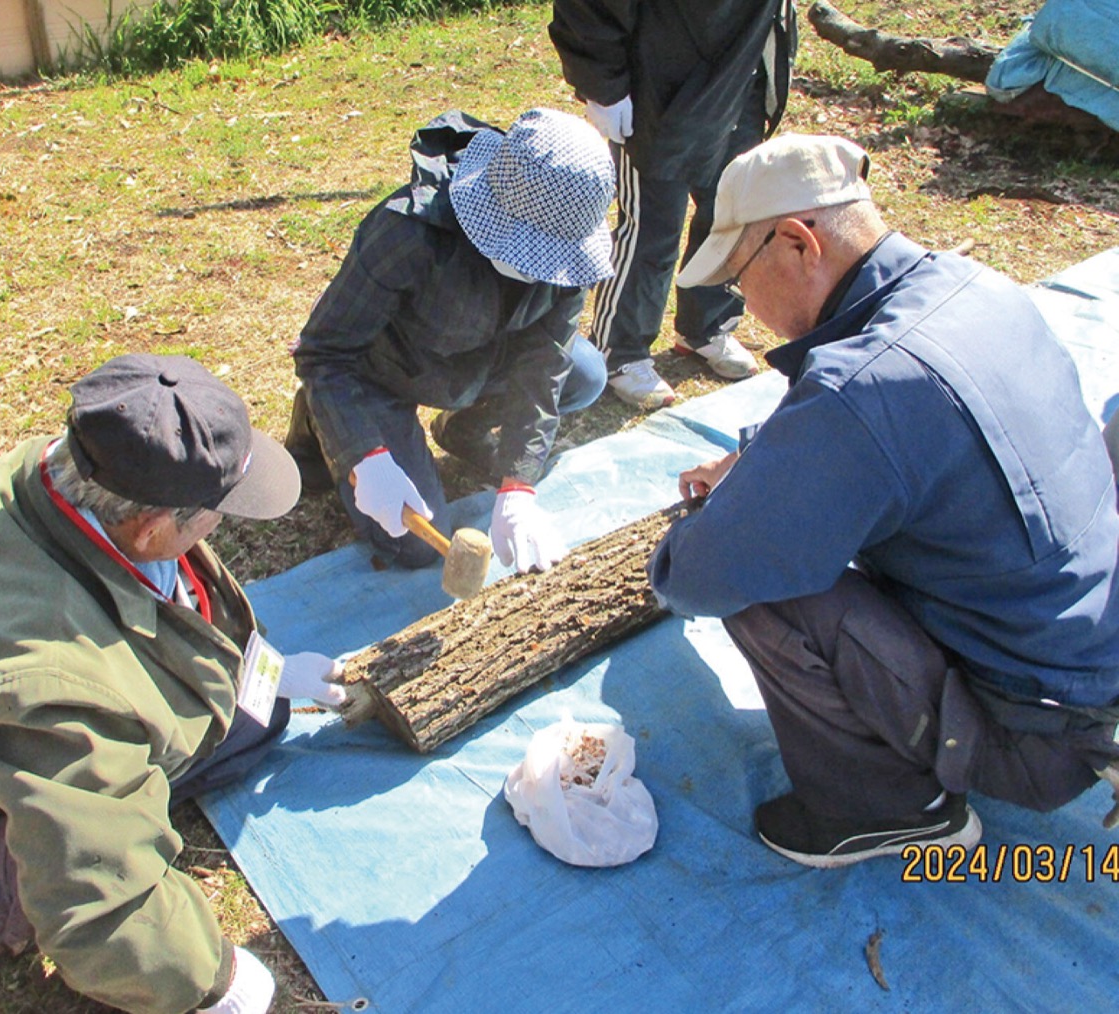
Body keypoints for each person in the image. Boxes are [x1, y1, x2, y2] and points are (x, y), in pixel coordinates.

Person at [648, 134, 1119, 867]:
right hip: (1090, 655)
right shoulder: (974, 284)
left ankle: (893, 810)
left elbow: (701, 576)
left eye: (740, 280)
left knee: (759, 582)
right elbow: (914, 419)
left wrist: (706, 524)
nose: (744, 305)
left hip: (1033, 736)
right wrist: (761, 456)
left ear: (799, 243)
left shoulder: (861, 388)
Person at [0, 354, 345, 1013]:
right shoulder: (47, 685)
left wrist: (259, 670)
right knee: (80, 858)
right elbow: (100, 904)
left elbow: (179, 595)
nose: (222, 525)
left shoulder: (73, 471)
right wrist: (216, 982)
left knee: (256, 720)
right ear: (151, 528)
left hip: (5, 731)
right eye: (216, 513)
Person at [288, 108, 614, 575]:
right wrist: (364, 454)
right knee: (415, 545)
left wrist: (519, 484)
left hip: (481, 364)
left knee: (585, 374)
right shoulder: (408, 231)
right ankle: (321, 420)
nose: (541, 271)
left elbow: (546, 365)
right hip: (385, 375)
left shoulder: (566, 247)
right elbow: (324, 352)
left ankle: (461, 427)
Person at [548, 0, 797, 410]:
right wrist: (602, 86)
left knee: (732, 210)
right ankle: (621, 351)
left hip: (741, 70)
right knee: (652, 228)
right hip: (658, 86)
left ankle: (708, 325)